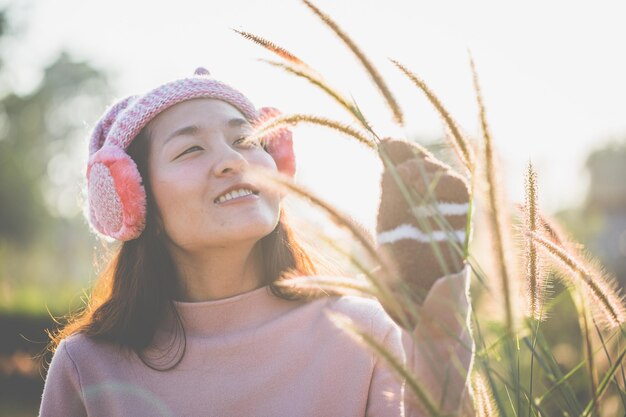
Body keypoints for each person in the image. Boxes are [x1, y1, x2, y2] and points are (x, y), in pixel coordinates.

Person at [38, 67, 473, 417]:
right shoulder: (87, 366)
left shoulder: (366, 332)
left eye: (245, 140)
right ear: (134, 200)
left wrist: (437, 335)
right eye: (191, 150)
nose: (232, 160)